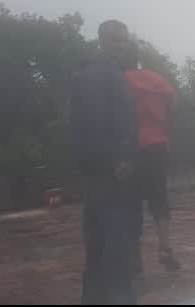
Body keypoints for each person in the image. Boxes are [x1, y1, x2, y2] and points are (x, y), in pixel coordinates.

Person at [70, 19, 138, 305]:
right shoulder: (104, 75)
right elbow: (101, 120)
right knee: (118, 234)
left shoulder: (87, 73)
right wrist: (119, 157)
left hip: (92, 164)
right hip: (109, 166)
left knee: (96, 233)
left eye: (124, 40)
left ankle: (93, 296)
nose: (123, 45)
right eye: (118, 40)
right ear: (105, 41)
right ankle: (119, 296)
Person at [121, 41, 181, 276]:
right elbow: (172, 105)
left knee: (130, 201)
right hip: (157, 144)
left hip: (129, 147)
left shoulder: (117, 81)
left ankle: (135, 259)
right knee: (159, 196)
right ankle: (165, 248)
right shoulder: (155, 79)